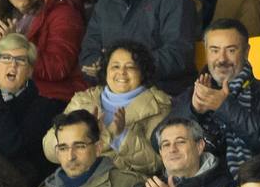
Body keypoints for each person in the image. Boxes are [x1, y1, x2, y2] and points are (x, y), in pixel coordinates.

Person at [44, 42, 171, 176]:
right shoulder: (84, 99)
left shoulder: (158, 105)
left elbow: (156, 163)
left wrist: (122, 135)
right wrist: (83, 129)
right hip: (77, 180)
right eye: (115, 66)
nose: (121, 72)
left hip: (122, 186)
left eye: (130, 67)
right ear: (105, 71)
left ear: (143, 72)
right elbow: (49, 150)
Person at [171, 19, 260, 174]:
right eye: (214, 50)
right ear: (206, 52)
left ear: (247, 52)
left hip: (252, 184)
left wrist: (224, 107)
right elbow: (158, 141)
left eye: (231, 50)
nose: (222, 59)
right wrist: (193, 111)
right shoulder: (192, 94)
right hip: (200, 186)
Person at [0, 34, 67, 186]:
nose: (13, 65)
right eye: (6, 58)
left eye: (21, 60)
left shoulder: (45, 107)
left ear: (30, 71)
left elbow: (12, 149)